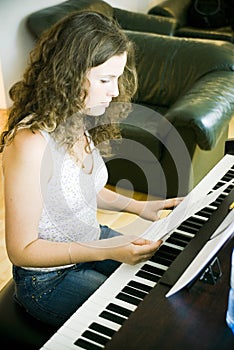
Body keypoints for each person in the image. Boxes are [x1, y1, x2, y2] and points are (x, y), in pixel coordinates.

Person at [0, 11, 182, 328]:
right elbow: (22, 250)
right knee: (141, 318)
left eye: (118, 77)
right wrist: (103, 251)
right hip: (47, 282)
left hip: (93, 238)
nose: (114, 91)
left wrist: (140, 206)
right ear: (69, 75)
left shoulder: (78, 119)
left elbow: (84, 190)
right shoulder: (29, 144)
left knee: (165, 277)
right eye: (104, 80)